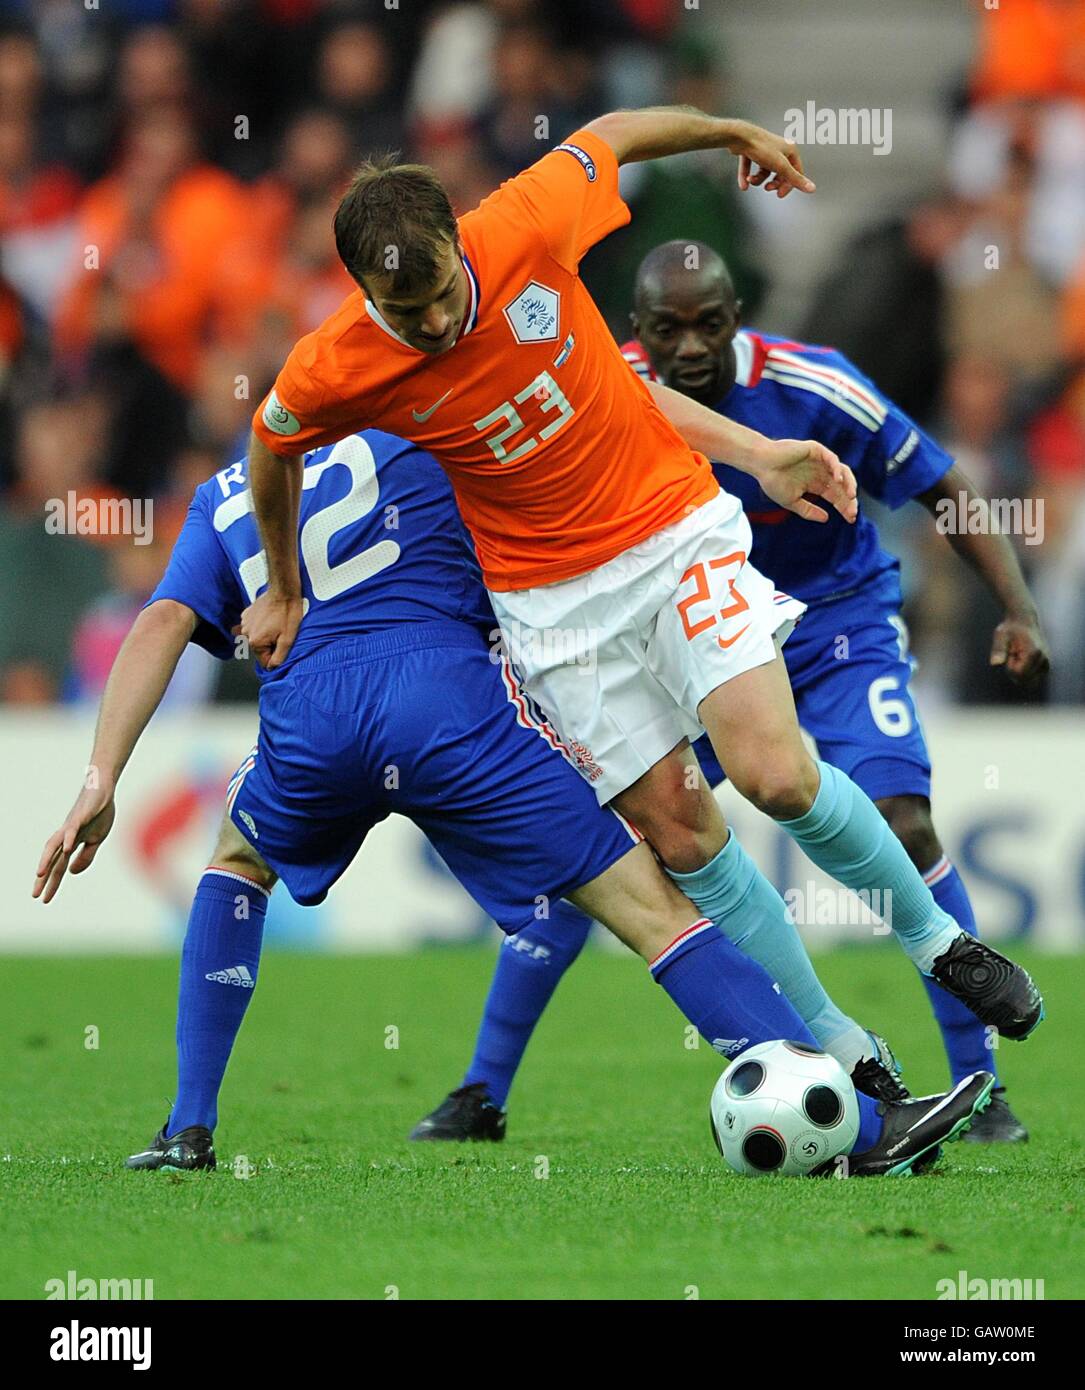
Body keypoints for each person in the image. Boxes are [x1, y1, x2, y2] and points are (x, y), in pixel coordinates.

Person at [240, 107, 1042, 1104]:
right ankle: (836, 1047)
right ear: (365, 294)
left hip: (668, 532)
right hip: (548, 607)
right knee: (681, 833)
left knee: (775, 775)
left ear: (456, 243)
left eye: (443, 293)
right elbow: (270, 441)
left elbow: (615, 129)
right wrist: (284, 586)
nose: (437, 323)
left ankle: (937, 944)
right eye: (408, 315)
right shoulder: (335, 362)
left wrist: (730, 132)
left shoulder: (526, 220)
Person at [32, 431, 994, 1177]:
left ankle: (188, 1127)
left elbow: (162, 617)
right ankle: (862, 1123)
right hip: (450, 705)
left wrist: (100, 779)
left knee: (236, 863)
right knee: (649, 909)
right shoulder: (434, 437)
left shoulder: (226, 489)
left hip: (312, 724)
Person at [412, 242, 1049, 1143]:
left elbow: (941, 481)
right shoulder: (586, 389)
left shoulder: (815, 386)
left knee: (901, 816)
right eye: (667, 330)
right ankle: (482, 1090)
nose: (690, 347)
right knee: (607, 860)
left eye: (707, 324)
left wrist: (1017, 606)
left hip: (831, 622)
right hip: (671, 627)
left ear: (736, 315)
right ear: (635, 331)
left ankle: (980, 1085)